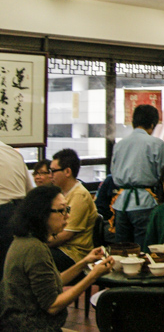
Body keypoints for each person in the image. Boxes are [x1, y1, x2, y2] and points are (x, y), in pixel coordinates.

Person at [0, 185, 113, 331]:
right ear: (42, 214)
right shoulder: (34, 248)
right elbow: (53, 306)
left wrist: (84, 262)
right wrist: (93, 276)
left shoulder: (27, 240)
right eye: (61, 210)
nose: (67, 216)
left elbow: (54, 282)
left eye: (67, 209)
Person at [111, 104, 164, 247]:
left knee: (122, 251)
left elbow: (113, 173)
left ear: (133, 122)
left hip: (121, 204)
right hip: (145, 203)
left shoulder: (119, 144)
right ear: (152, 124)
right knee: (144, 249)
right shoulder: (156, 144)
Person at [48, 149, 98, 272]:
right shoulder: (59, 192)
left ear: (67, 171)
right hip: (61, 248)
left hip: (74, 253)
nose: (50, 176)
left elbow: (66, 234)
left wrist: (41, 243)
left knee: (36, 257)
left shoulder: (79, 195)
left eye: (53, 171)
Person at [0, 139, 34, 279]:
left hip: (4, 213)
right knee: (10, 271)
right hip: (18, 214)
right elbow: (31, 191)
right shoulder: (12, 152)